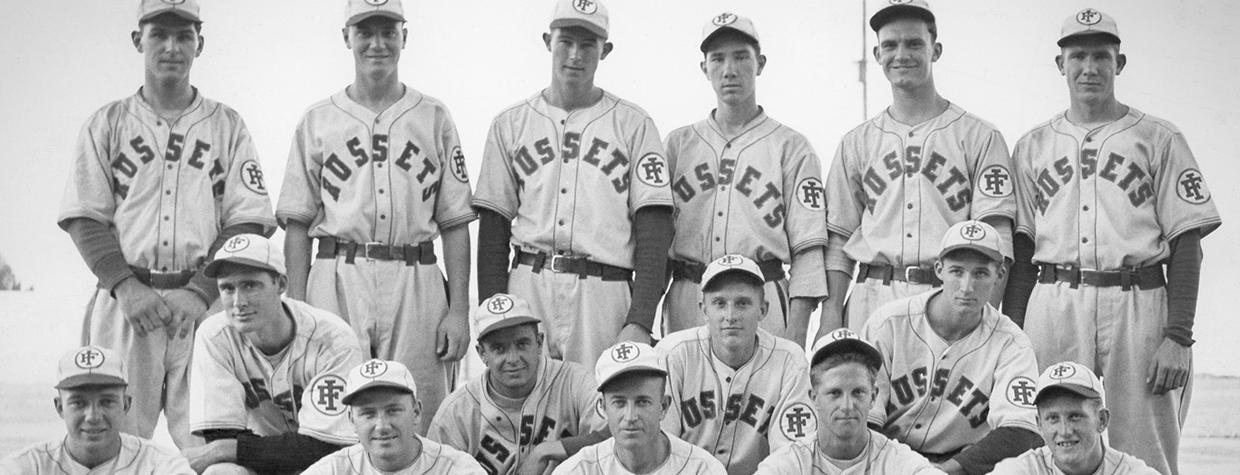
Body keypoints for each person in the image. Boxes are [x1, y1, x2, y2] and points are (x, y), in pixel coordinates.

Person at [1002, 8, 1222, 475]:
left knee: (1148, 451)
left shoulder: (1159, 138)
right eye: (1077, 55)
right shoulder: (1032, 146)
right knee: (1046, 442)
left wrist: (1178, 336)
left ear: (1119, 64)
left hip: (1138, 301)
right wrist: (1014, 335)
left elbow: (1188, 242)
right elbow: (1022, 253)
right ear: (1059, 65)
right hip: (1054, 299)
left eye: (1101, 56)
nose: (1089, 67)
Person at [57, 0, 276, 448]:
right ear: (138, 40)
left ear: (201, 43)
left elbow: (248, 221)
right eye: (160, 34)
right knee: (109, 444)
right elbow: (84, 217)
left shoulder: (227, 127)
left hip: (205, 306)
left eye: (184, 35)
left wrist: (200, 291)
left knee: (212, 445)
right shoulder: (107, 124)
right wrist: (126, 286)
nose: (172, 46)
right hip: (124, 303)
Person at [277, 0, 474, 428]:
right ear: (346, 37)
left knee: (420, 413)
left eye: (388, 31)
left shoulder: (433, 116)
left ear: (406, 36)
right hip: (336, 275)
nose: (377, 43)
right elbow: (297, 226)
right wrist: (296, 305)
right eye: (365, 32)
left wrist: (459, 309)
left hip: (416, 277)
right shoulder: (318, 119)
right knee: (334, 416)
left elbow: (456, 223)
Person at [472, 0, 674, 367]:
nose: (575, 55)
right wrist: (493, 311)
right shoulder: (510, 123)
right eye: (566, 42)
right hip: (528, 282)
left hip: (603, 291)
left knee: (600, 409)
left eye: (588, 45)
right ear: (548, 41)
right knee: (525, 410)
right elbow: (493, 231)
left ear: (605, 51)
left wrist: (641, 319)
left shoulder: (634, 124)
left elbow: (655, 231)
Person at [818, 0, 1017, 339]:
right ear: (878, 54)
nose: (902, 54)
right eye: (890, 45)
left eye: (914, 43)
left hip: (948, 295)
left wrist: (982, 318)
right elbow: (838, 240)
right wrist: (831, 314)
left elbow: (997, 240)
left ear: (935, 50)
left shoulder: (979, 136)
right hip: (873, 294)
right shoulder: (857, 141)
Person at [663, 12, 828, 348]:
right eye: (718, 59)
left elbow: (808, 249)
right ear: (703, 68)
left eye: (741, 57)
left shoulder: (791, 147)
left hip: (761, 295)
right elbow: (657, 243)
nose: (729, 70)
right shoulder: (678, 145)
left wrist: (797, 332)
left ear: (760, 63)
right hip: (689, 294)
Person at [862, 220, 1042, 474]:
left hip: (963, 466)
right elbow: (862, 420)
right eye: (957, 271)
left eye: (980, 273)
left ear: (999, 275)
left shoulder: (1011, 343)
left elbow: (1022, 432)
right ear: (939, 269)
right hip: (888, 461)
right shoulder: (889, 325)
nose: (967, 287)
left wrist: (946, 471)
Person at [183, 234, 363, 474]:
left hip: (333, 465)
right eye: (228, 288)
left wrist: (226, 449)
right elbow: (221, 436)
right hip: (262, 462)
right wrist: (226, 449)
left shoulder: (332, 339)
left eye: (250, 285)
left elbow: (328, 446)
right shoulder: (215, 337)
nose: (239, 302)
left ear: (280, 284)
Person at [657, 254, 814, 475]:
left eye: (742, 303)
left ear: (763, 309)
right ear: (703, 309)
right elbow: (660, 449)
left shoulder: (789, 361)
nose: (730, 316)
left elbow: (794, 454)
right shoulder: (673, 354)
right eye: (720, 303)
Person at [428, 294, 608, 475]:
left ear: (539, 343)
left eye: (522, 344)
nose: (513, 359)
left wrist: (546, 451)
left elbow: (619, 435)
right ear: (482, 353)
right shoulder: (457, 412)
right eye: (499, 349)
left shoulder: (573, 381)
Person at [754, 329, 943, 474]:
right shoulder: (788, 464)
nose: (847, 406)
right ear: (814, 398)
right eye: (835, 393)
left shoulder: (898, 461)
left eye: (858, 392)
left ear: (874, 396)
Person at [0, 346, 194, 474]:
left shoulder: (159, 465)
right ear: (60, 407)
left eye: (107, 402)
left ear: (126, 404)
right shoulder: (29, 466)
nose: (93, 416)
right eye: (78, 403)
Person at [553, 342, 726, 475]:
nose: (630, 416)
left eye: (642, 402)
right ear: (602, 408)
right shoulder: (578, 470)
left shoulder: (702, 469)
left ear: (663, 406)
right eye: (619, 403)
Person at [303, 359, 486, 474]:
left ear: (416, 412)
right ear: (351, 420)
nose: (382, 426)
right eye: (368, 414)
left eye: (393, 410)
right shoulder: (335, 469)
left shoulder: (455, 468)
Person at [992, 361, 1158, 475]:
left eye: (1075, 416)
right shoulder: (1021, 470)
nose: (1064, 431)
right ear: (1039, 425)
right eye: (1053, 418)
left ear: (1102, 420)